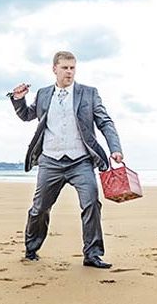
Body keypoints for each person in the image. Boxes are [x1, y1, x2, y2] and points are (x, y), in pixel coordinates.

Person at [9, 51, 123, 269]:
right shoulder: (43, 94)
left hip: (80, 160)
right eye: (65, 68)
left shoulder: (89, 93)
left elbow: (105, 122)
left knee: (91, 203)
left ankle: (93, 254)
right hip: (50, 160)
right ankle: (31, 249)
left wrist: (115, 149)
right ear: (55, 69)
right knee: (39, 208)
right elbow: (27, 115)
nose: (69, 72)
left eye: (72, 68)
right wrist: (18, 99)